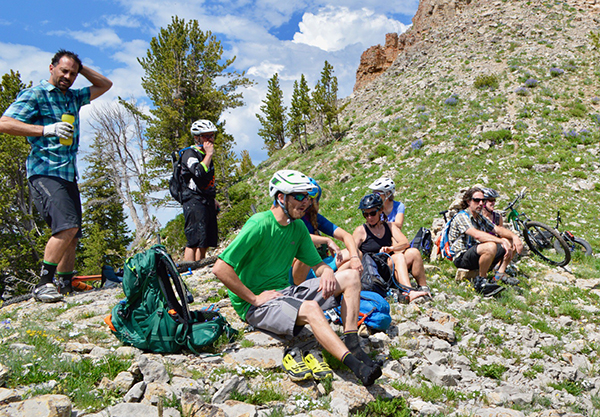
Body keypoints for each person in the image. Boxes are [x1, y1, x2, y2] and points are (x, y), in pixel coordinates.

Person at [212, 170, 382, 386]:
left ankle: (352, 342)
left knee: (350, 277)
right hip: (256, 305)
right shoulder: (259, 224)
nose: (306, 203)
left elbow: (318, 265)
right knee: (311, 308)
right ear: (281, 197)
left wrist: (327, 271)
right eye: (299, 196)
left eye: (308, 197)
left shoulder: (298, 227)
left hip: (285, 292)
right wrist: (254, 299)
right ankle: (355, 366)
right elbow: (220, 268)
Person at [0, 49, 112, 302]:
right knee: (67, 225)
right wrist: (45, 129)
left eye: (72, 73)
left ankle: (65, 285)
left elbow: (105, 84)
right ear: (51, 68)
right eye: (64, 71)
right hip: (44, 171)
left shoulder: (73, 97)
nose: (68, 76)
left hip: (68, 173)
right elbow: (4, 123)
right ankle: (43, 283)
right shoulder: (35, 94)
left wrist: (80, 68)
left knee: (72, 234)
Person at [352, 193, 431, 303]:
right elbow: (352, 249)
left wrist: (391, 248)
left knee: (414, 252)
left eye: (373, 213)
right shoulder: (361, 230)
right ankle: (409, 291)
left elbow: (405, 243)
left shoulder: (389, 226)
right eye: (366, 214)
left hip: (388, 263)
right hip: (373, 269)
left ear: (380, 211)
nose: (369, 217)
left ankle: (423, 287)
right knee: (398, 257)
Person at [447, 187, 523, 297]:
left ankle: (498, 275)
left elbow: (496, 229)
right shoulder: (462, 216)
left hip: (476, 253)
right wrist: (500, 240)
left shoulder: (479, 217)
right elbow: (477, 234)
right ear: (468, 201)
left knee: (510, 242)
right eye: (476, 200)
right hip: (462, 256)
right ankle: (481, 282)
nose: (480, 203)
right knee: (490, 246)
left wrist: (514, 237)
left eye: (483, 201)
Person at [291, 178, 363, 284]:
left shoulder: (313, 217)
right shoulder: (291, 217)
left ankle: (332, 281)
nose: (305, 202)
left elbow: (345, 235)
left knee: (357, 253)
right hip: (295, 272)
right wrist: (326, 240)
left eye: (308, 198)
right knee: (305, 250)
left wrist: (354, 257)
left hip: (316, 267)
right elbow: (300, 237)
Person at [181, 119, 220, 262]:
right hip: (193, 200)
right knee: (195, 238)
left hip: (206, 198)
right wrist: (209, 155)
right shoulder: (190, 154)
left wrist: (213, 198)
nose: (210, 139)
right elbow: (198, 172)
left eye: (212, 135)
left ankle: (201, 263)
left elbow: (208, 179)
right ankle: (191, 267)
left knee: (206, 237)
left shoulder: (205, 154)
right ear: (197, 137)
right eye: (206, 136)